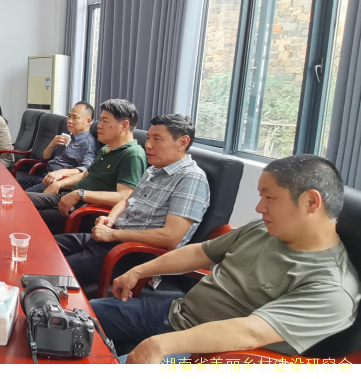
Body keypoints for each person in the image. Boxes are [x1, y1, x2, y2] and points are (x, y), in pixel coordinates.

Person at [91, 155, 360, 363]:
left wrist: (162, 344)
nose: (259, 207)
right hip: (176, 314)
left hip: (212, 356)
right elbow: (200, 252)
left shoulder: (332, 288)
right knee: (79, 317)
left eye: (269, 197)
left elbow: (250, 332)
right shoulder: (264, 230)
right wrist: (138, 271)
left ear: (311, 202)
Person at [54, 114, 209, 290]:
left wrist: (114, 234)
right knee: (45, 249)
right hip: (111, 239)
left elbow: (171, 237)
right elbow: (128, 200)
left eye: (157, 139)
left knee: (53, 270)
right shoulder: (154, 170)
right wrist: (111, 219)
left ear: (182, 142)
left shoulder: (191, 178)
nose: (148, 145)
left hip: (134, 255)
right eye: (149, 138)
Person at [27, 99, 147, 234]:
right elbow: (86, 174)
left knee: (28, 216)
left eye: (105, 121)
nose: (99, 126)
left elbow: (124, 196)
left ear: (124, 125)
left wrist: (81, 194)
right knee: (20, 200)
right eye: (100, 120)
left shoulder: (132, 154)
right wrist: (60, 183)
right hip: (70, 198)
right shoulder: (106, 148)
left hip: (85, 212)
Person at [18, 101, 98, 193]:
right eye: (69, 116)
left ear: (88, 121)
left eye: (75, 117)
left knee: (20, 196)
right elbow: (45, 158)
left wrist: (61, 172)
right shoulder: (68, 137)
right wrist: (51, 145)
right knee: (10, 185)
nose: (69, 121)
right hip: (44, 177)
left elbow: (87, 170)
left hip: (57, 183)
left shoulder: (88, 144)